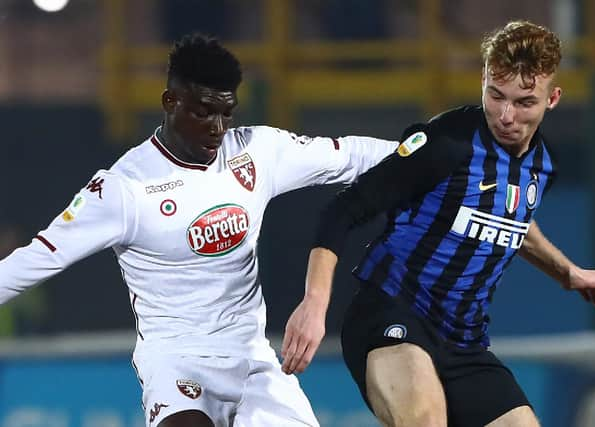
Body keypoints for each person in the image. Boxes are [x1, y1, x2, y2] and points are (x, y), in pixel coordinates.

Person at [0, 33, 398, 427]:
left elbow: (352, 156)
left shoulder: (256, 153)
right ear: (170, 102)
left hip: (251, 358)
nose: (217, 127)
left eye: (227, 113)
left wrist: (440, 146)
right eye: (204, 111)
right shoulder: (125, 188)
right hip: (176, 362)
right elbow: (37, 258)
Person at [281, 20, 595, 427]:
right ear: (483, 81)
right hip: (391, 312)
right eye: (496, 95)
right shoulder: (447, 143)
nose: (506, 115)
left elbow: (514, 223)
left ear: (553, 98)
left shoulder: (541, 167)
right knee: (425, 421)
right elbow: (344, 210)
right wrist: (315, 304)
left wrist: (569, 273)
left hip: (464, 342)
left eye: (524, 102)